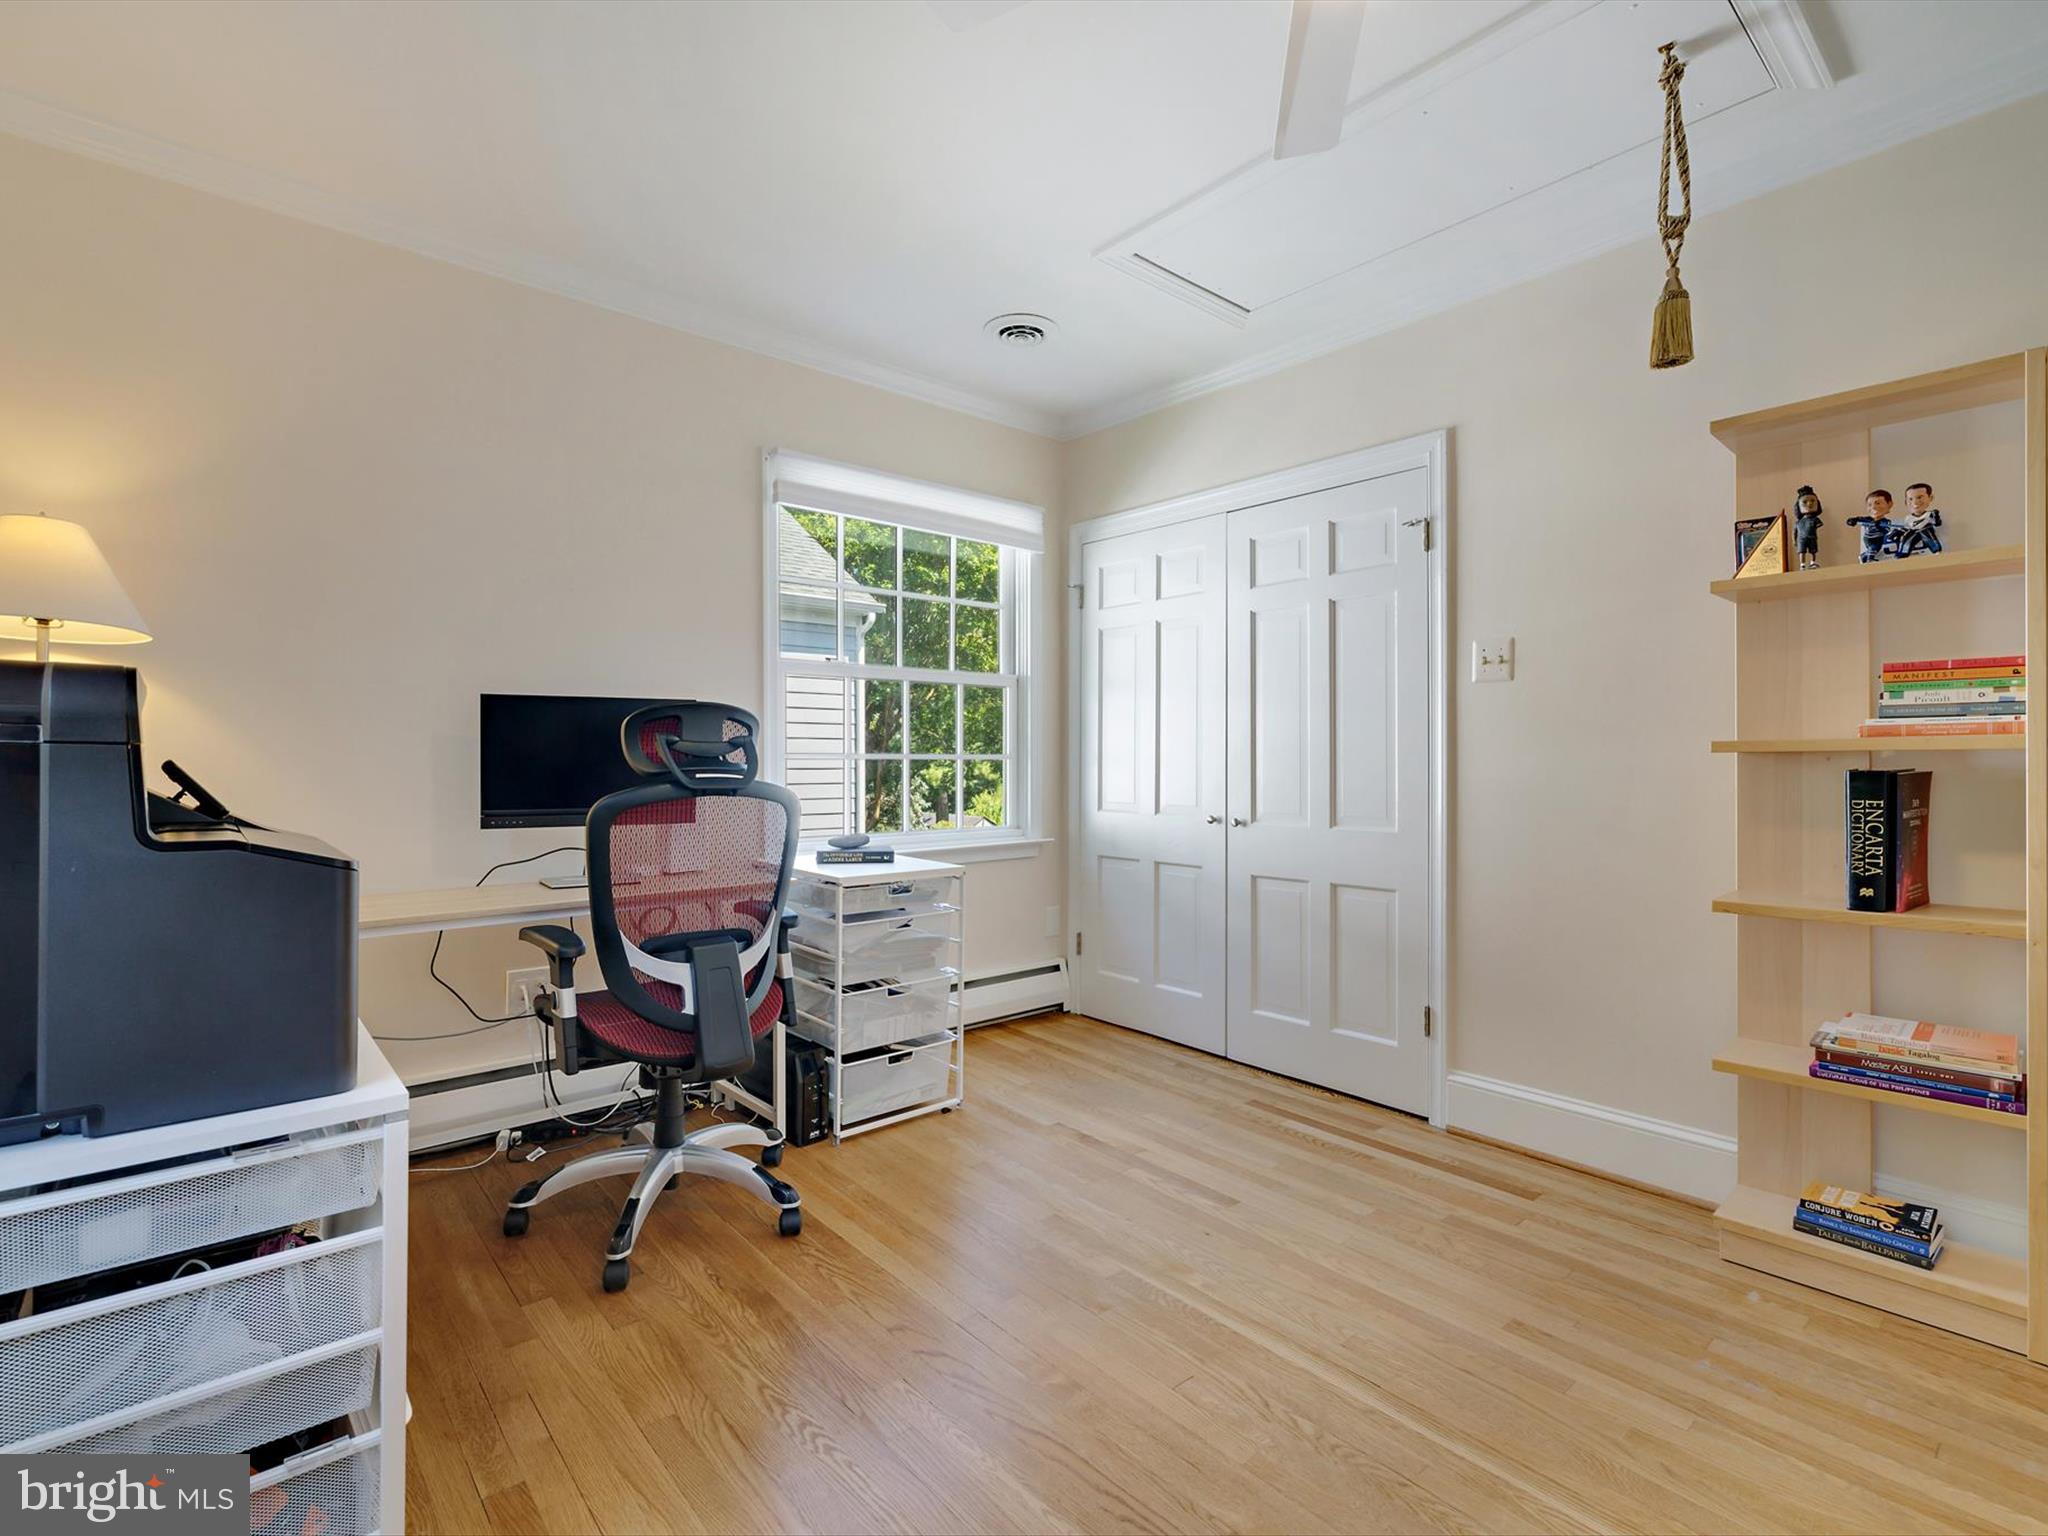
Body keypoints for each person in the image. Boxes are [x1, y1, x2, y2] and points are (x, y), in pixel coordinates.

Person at [1895, 481, 1944, 556]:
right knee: (1906, 538)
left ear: (1930, 498)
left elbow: (1937, 523)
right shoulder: (1908, 518)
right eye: (1910, 499)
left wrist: (1936, 517)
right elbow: (1906, 527)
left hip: (1924, 530)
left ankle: (1936, 551)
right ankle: (1903, 553)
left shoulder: (1929, 514)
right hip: (1913, 532)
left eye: (1919, 497)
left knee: (1927, 534)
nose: (1915, 502)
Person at [1847, 490, 1895, 563]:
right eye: (1869, 505)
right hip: (1868, 539)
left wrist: (1879, 526)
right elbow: (1859, 519)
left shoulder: (1885, 521)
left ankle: (1865, 557)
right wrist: (1853, 520)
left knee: (1874, 549)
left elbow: (1886, 530)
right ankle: (1869, 560)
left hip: (1878, 539)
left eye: (1878, 503)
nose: (1873, 507)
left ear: (1889, 504)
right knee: (1873, 548)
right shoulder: (1868, 519)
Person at [1791, 485, 1824, 570]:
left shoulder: (1815, 519)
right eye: (1805, 502)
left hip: (1812, 537)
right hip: (1801, 539)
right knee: (1802, 551)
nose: (1809, 504)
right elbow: (1794, 532)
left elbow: (1819, 524)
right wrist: (1794, 540)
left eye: (1812, 501)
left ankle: (1812, 562)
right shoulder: (1798, 522)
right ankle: (1802, 564)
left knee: (1813, 551)